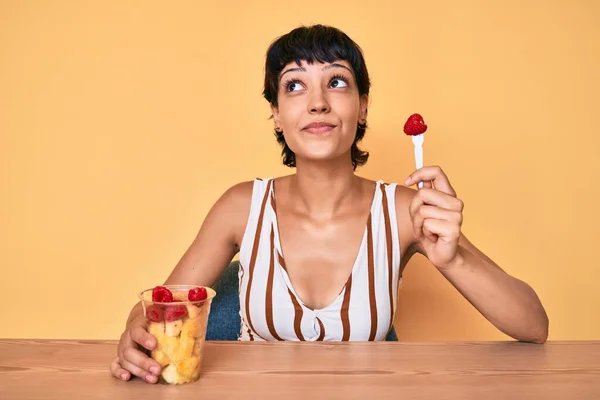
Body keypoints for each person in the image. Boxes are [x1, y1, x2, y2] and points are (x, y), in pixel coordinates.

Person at [110, 24, 549, 383]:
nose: (318, 103)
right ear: (278, 116)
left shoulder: (405, 211)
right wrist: (136, 334)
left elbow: (534, 326)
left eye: (336, 82)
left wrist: (452, 260)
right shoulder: (241, 207)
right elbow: (159, 308)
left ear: (362, 107)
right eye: (295, 86)